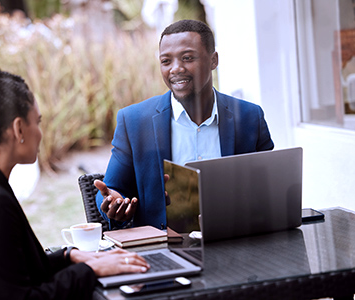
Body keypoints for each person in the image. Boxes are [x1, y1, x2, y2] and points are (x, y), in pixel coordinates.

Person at [0, 40, 149, 300]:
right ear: (18, 129)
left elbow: (16, 269)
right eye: (38, 122)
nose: (41, 132)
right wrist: (90, 269)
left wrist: (69, 256)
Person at [95, 19, 274, 230]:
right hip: (165, 247)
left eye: (188, 58)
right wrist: (114, 203)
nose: (176, 69)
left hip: (238, 240)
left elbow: (271, 187)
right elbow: (112, 188)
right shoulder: (134, 121)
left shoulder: (250, 117)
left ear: (213, 60)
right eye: (166, 61)